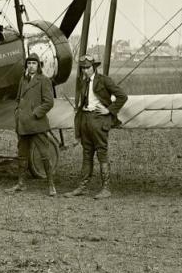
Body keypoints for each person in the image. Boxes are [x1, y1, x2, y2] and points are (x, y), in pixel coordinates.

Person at [64, 55, 128, 199]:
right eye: (83, 68)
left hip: (99, 120)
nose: (85, 70)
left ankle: (106, 189)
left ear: (94, 67)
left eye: (88, 67)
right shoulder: (83, 82)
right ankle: (82, 187)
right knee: (87, 155)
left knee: (102, 154)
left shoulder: (104, 80)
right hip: (85, 120)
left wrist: (109, 110)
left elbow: (122, 96)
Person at [10, 53, 57, 196]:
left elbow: (49, 102)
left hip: (37, 124)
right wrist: (18, 113)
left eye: (34, 63)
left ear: (38, 66)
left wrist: (35, 113)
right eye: (29, 63)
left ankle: (51, 185)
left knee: (44, 154)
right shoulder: (22, 80)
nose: (31, 66)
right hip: (23, 124)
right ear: (26, 65)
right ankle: (21, 184)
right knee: (22, 155)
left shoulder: (44, 80)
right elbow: (18, 99)